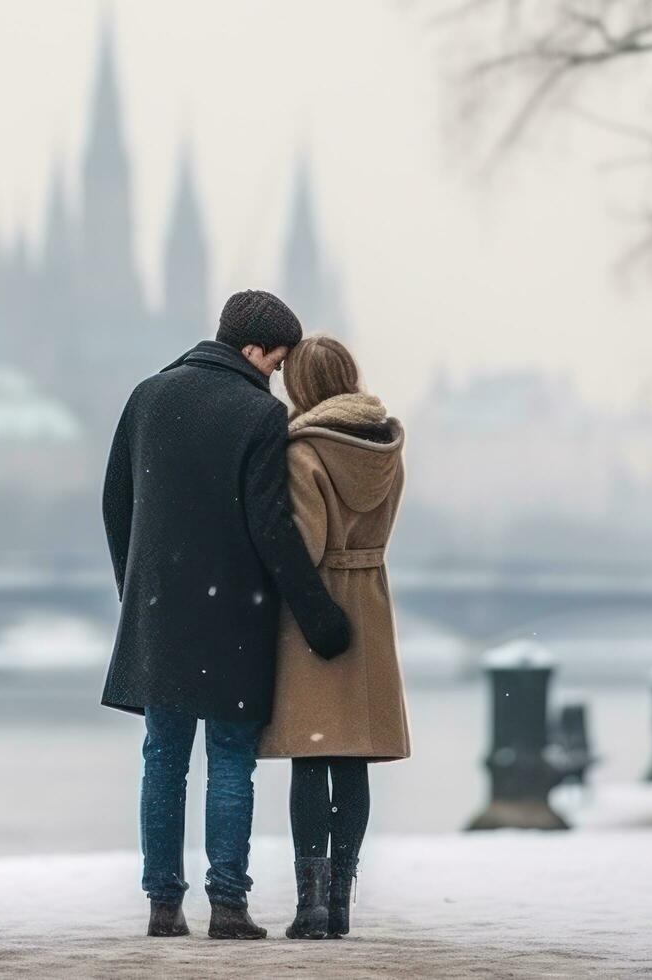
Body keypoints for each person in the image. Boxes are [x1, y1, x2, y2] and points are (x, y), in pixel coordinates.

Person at [100, 290, 353, 941]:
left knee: (163, 758)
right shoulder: (258, 415)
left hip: (158, 612)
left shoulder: (147, 396)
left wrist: (136, 589)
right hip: (233, 615)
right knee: (230, 760)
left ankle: (161, 904)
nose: (274, 373)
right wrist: (317, 614)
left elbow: (115, 504)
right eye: (274, 360)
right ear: (251, 349)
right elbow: (271, 528)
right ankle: (229, 906)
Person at [258, 336, 410, 940]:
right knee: (353, 759)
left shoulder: (304, 453)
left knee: (312, 755)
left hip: (319, 612)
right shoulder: (387, 449)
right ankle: (343, 901)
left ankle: (311, 906)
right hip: (370, 604)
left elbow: (308, 545)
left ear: (303, 387)